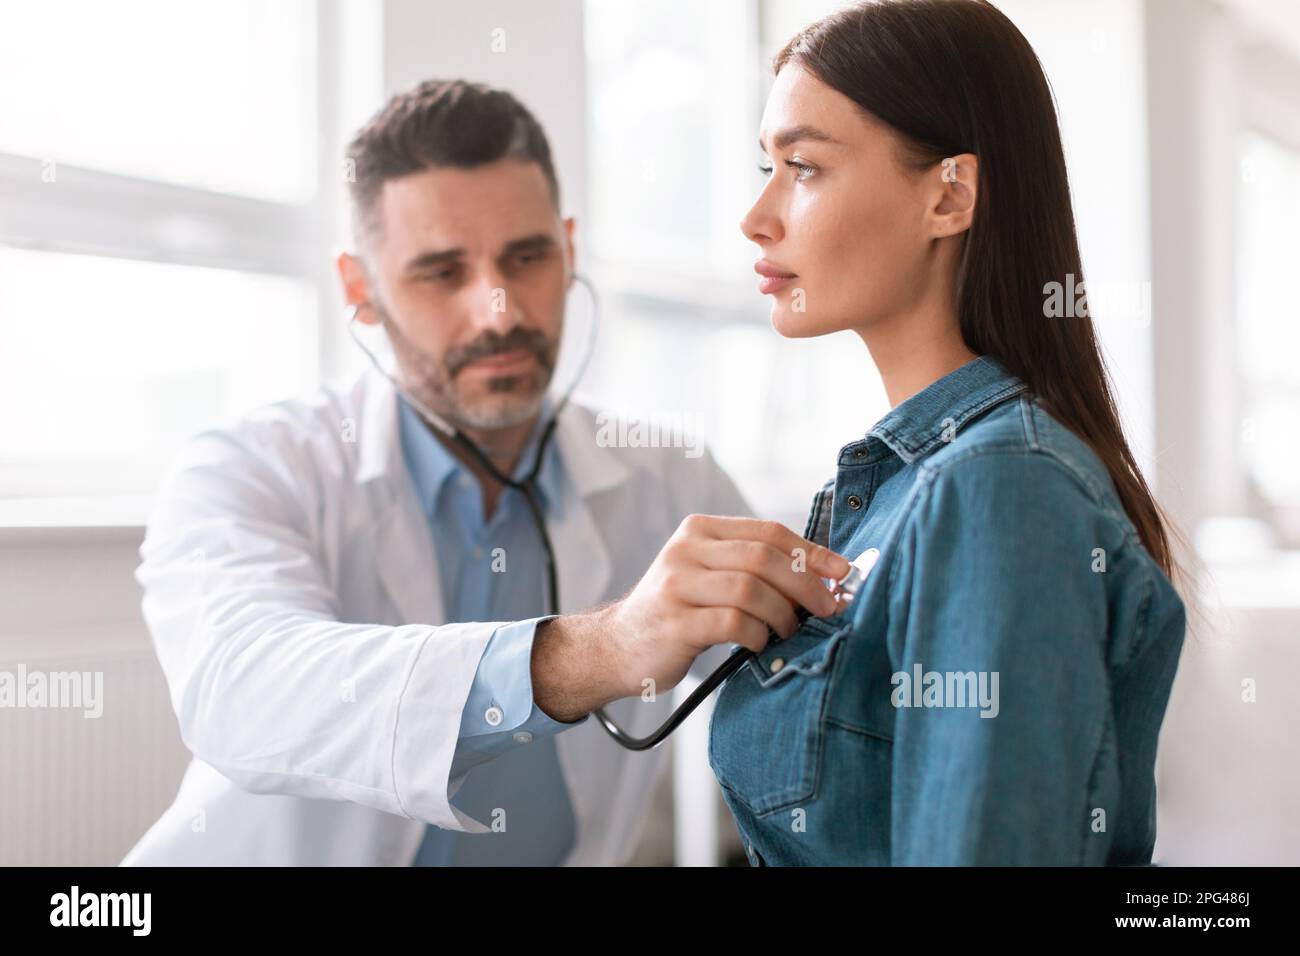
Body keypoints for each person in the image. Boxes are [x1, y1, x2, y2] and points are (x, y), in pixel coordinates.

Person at [122, 79, 849, 866]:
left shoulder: (668, 474)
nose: (498, 311)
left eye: (526, 257)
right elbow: (243, 693)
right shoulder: (250, 467)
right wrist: (603, 650)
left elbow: (815, 685)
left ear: (569, 250)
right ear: (360, 290)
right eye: (441, 273)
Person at [708, 0, 1187, 866]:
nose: (757, 215)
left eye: (803, 167)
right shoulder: (898, 484)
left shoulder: (1001, 488)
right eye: (764, 166)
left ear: (949, 195)